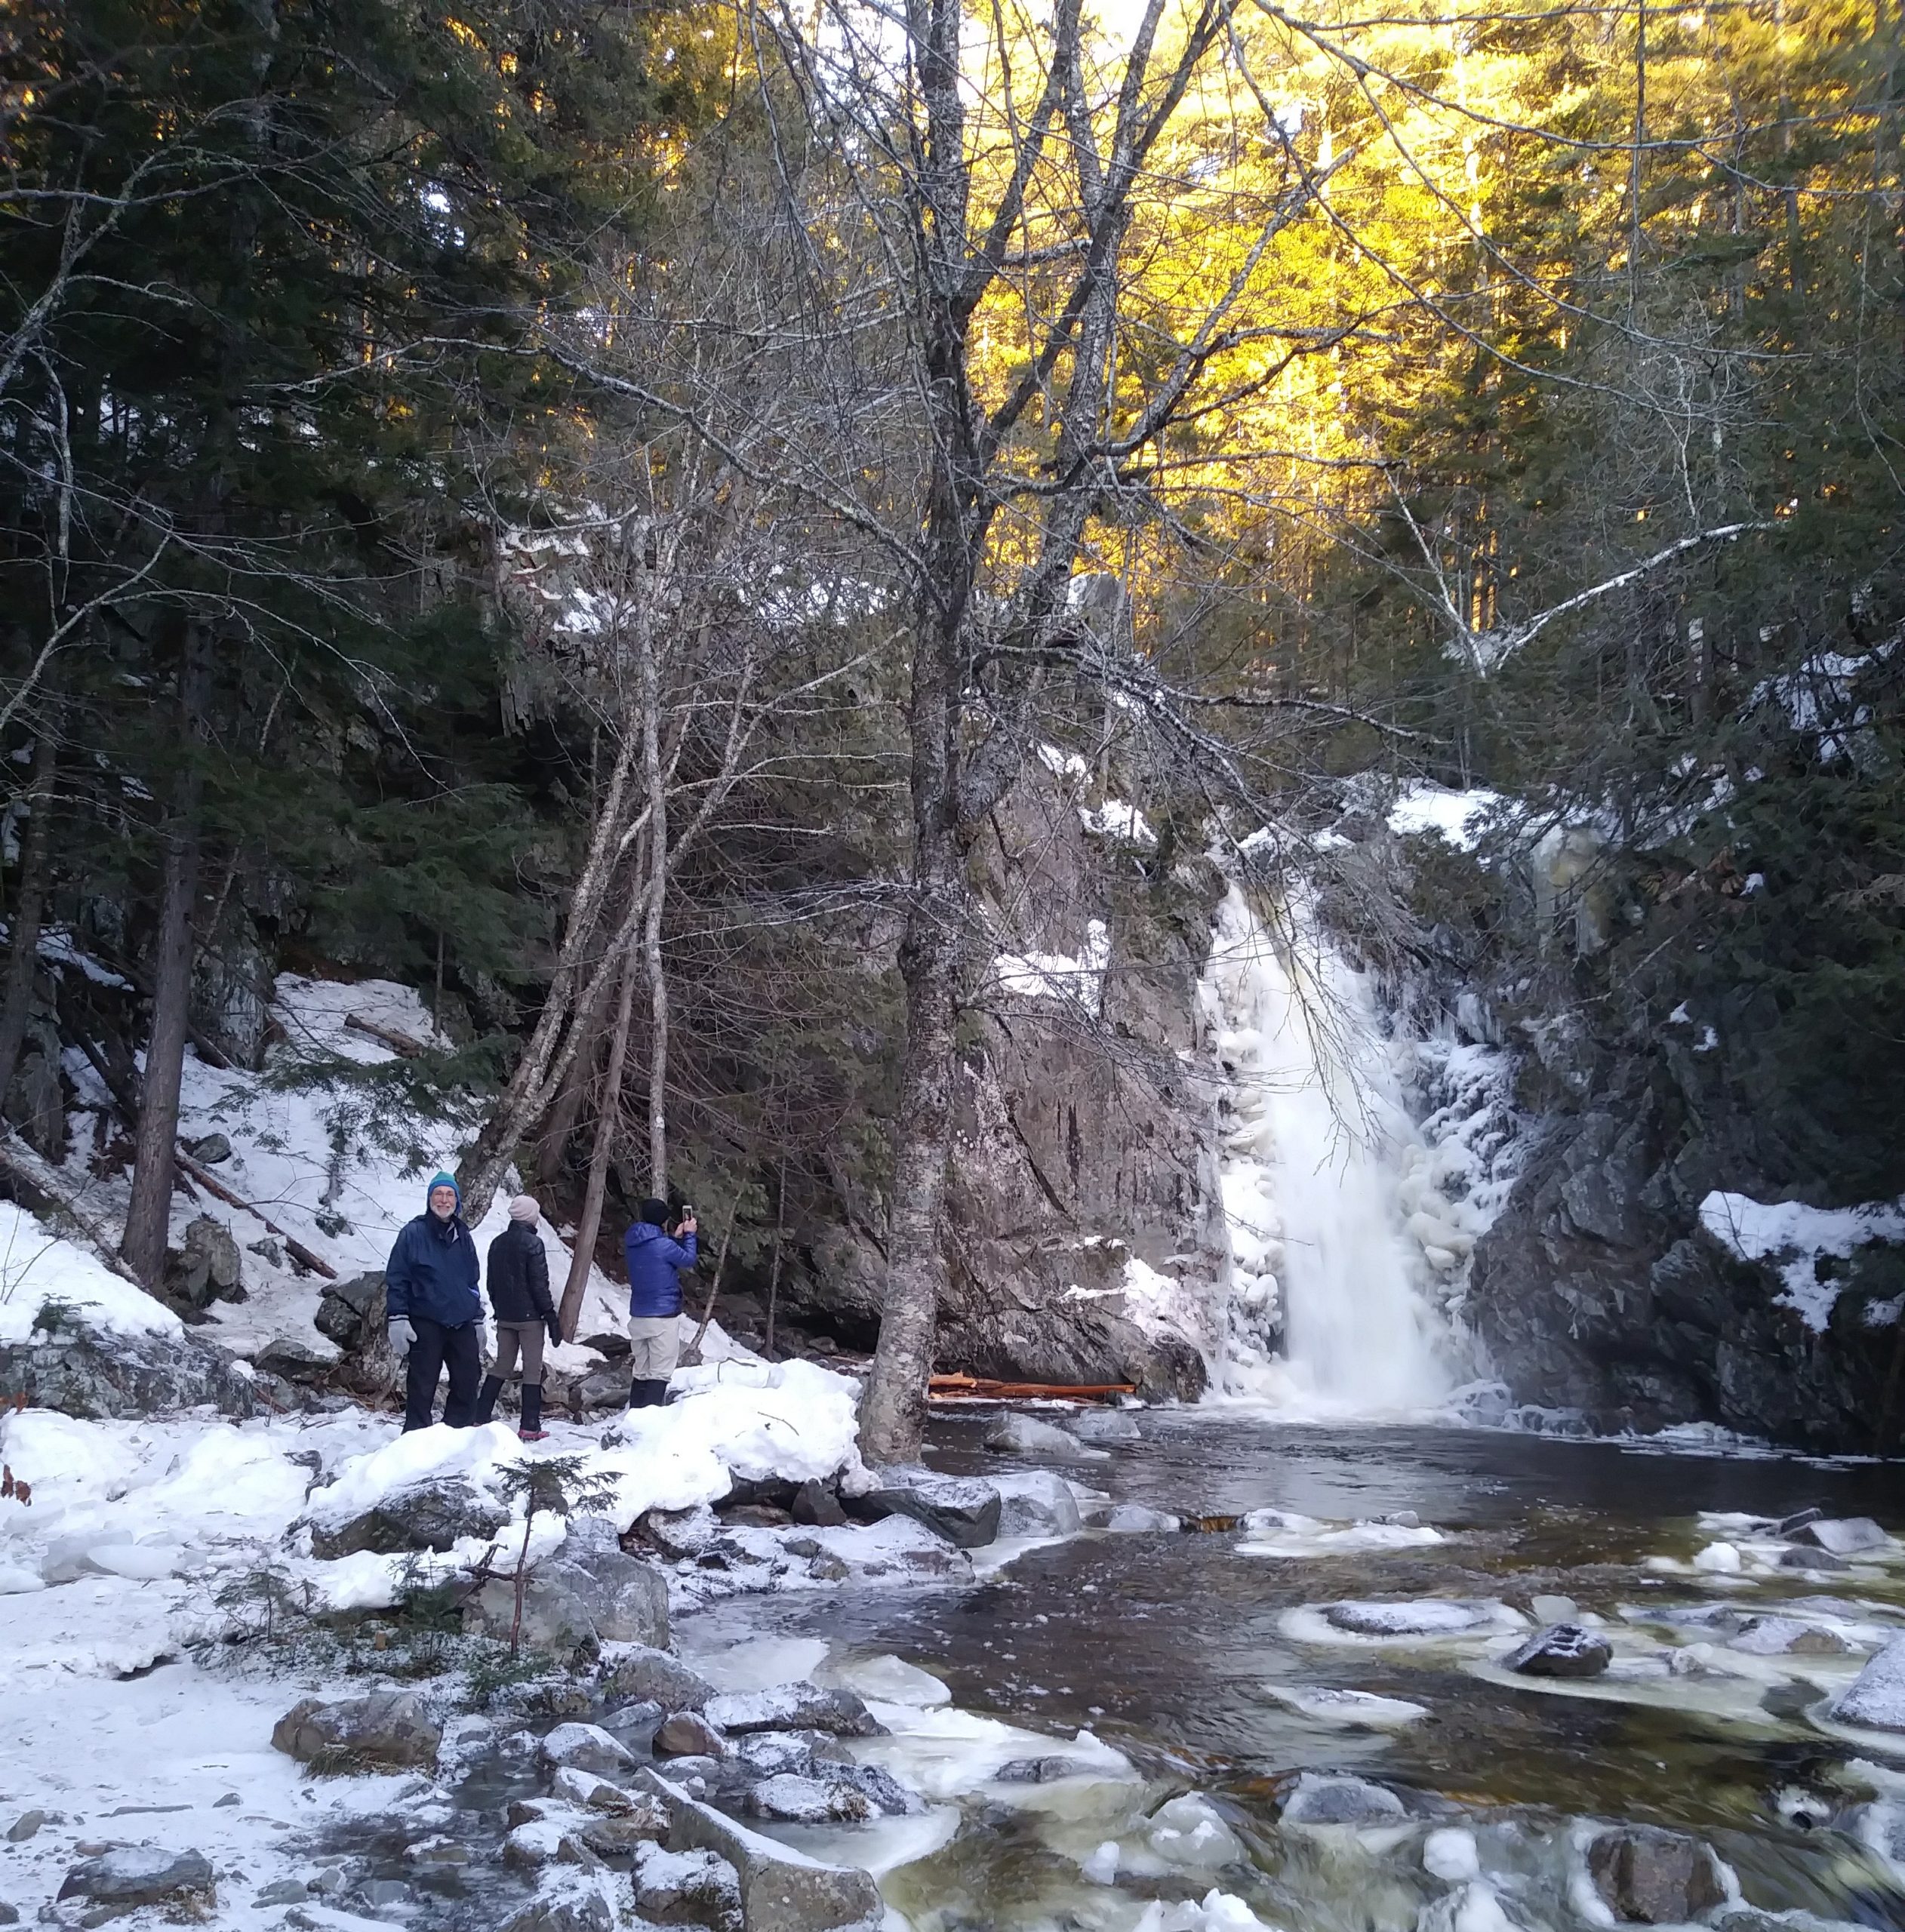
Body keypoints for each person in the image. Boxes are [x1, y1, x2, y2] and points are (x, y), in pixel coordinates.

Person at [385, 1171, 483, 1431]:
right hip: (425, 1319)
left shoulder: (463, 1235)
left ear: (457, 1201)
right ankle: (416, 1436)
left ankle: (455, 1432)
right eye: (438, 1194)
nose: (444, 1200)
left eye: (449, 1195)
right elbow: (397, 1277)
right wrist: (398, 1318)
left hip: (461, 1322)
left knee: (468, 1378)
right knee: (422, 1383)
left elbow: (471, 1280)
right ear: (430, 1199)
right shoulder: (413, 1233)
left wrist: (477, 1319)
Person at [476, 1195, 562, 1441]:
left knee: (502, 1366)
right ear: (530, 1216)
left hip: (504, 1317)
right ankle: (529, 1426)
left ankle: (479, 1417)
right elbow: (539, 1285)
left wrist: (500, 1307)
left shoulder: (497, 1243)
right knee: (532, 1370)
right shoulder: (533, 1244)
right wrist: (550, 1316)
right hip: (530, 1319)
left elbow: (492, 1282)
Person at [623, 1197, 697, 1408]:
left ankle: (634, 1419)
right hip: (662, 1318)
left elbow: (658, 1252)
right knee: (660, 1372)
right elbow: (688, 1259)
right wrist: (690, 1234)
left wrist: (675, 1237)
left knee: (642, 1370)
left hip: (638, 1316)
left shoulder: (633, 1242)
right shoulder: (663, 1245)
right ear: (663, 1220)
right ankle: (649, 1425)